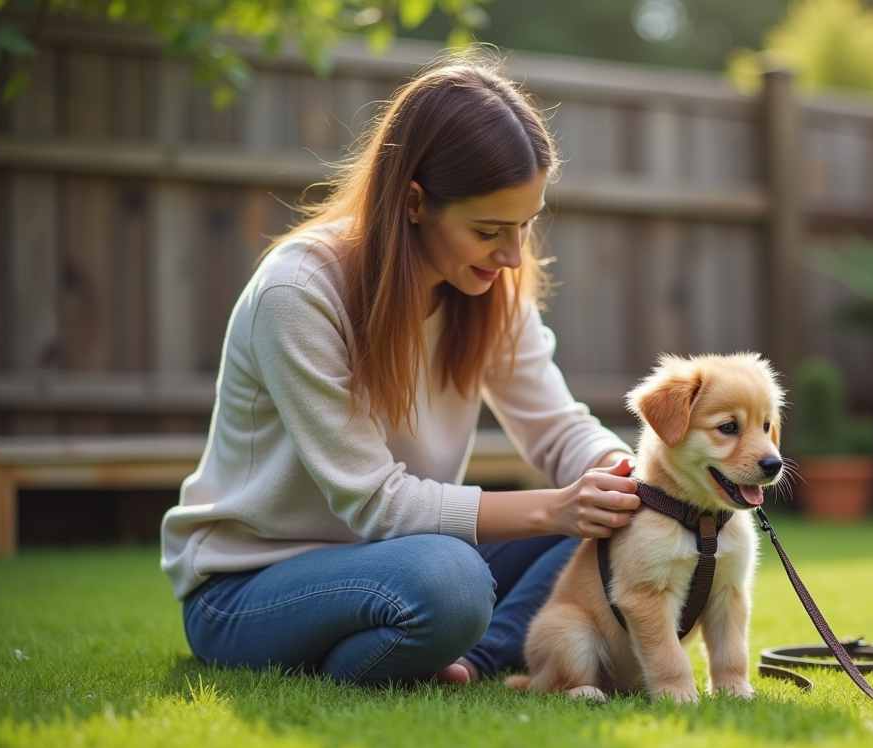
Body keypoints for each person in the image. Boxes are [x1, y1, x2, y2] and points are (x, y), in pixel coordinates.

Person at [160, 53, 641, 686]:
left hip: (395, 562)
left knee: (612, 522)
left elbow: (559, 431)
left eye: (526, 225)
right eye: (491, 228)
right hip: (250, 587)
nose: (514, 254)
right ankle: (419, 645)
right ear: (414, 201)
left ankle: (469, 660)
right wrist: (555, 508)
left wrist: (631, 479)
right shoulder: (299, 292)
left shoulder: (491, 289)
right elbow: (373, 502)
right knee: (451, 580)